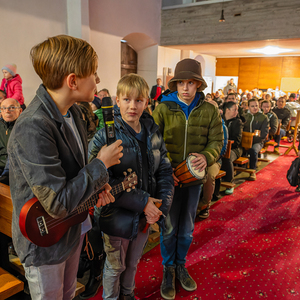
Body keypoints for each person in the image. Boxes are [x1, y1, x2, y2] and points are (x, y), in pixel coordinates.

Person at [8, 35, 123, 300]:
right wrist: (100, 164)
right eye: (93, 74)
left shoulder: (73, 113)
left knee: (69, 294)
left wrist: (98, 184)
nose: (98, 80)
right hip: (44, 238)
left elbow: (72, 176)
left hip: (72, 227)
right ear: (72, 81)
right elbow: (57, 202)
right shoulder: (33, 126)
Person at [89, 73, 174, 300]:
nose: (133, 106)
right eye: (127, 100)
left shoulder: (152, 132)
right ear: (117, 101)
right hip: (116, 217)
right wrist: (144, 202)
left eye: (138, 100)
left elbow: (165, 170)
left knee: (134, 263)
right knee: (115, 267)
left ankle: (128, 295)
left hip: (146, 216)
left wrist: (160, 206)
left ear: (147, 102)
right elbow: (100, 182)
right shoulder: (104, 137)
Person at [152, 58, 223, 300]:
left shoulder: (210, 110)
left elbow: (217, 141)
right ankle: (168, 268)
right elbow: (154, 144)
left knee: (187, 229)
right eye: (181, 82)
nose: (185, 87)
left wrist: (207, 156)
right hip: (168, 181)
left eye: (190, 83)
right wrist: (165, 170)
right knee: (169, 228)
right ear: (175, 84)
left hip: (194, 182)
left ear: (198, 85)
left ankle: (180, 264)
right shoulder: (162, 108)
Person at [198, 99, 228, 217]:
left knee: (209, 175)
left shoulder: (222, 127)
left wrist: (207, 158)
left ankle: (206, 205)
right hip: (199, 157)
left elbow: (222, 149)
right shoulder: (200, 123)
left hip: (214, 160)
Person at [243, 98, 269, 181]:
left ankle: (252, 171)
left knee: (253, 150)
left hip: (257, 141)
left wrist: (253, 137)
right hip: (245, 140)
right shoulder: (244, 116)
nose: (255, 108)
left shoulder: (263, 117)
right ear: (248, 107)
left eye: (256, 106)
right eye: (252, 106)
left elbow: (264, 134)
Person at [221, 101, 243, 194]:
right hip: (222, 146)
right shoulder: (220, 120)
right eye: (235, 110)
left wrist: (226, 144)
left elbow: (237, 141)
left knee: (227, 157)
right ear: (227, 110)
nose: (237, 112)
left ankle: (229, 182)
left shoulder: (237, 122)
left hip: (236, 149)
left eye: (237, 110)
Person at [0, 98, 22, 184]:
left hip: (15, 171)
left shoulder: (25, 127)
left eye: (12, 108)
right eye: (3, 108)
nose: (7, 111)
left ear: (20, 111)